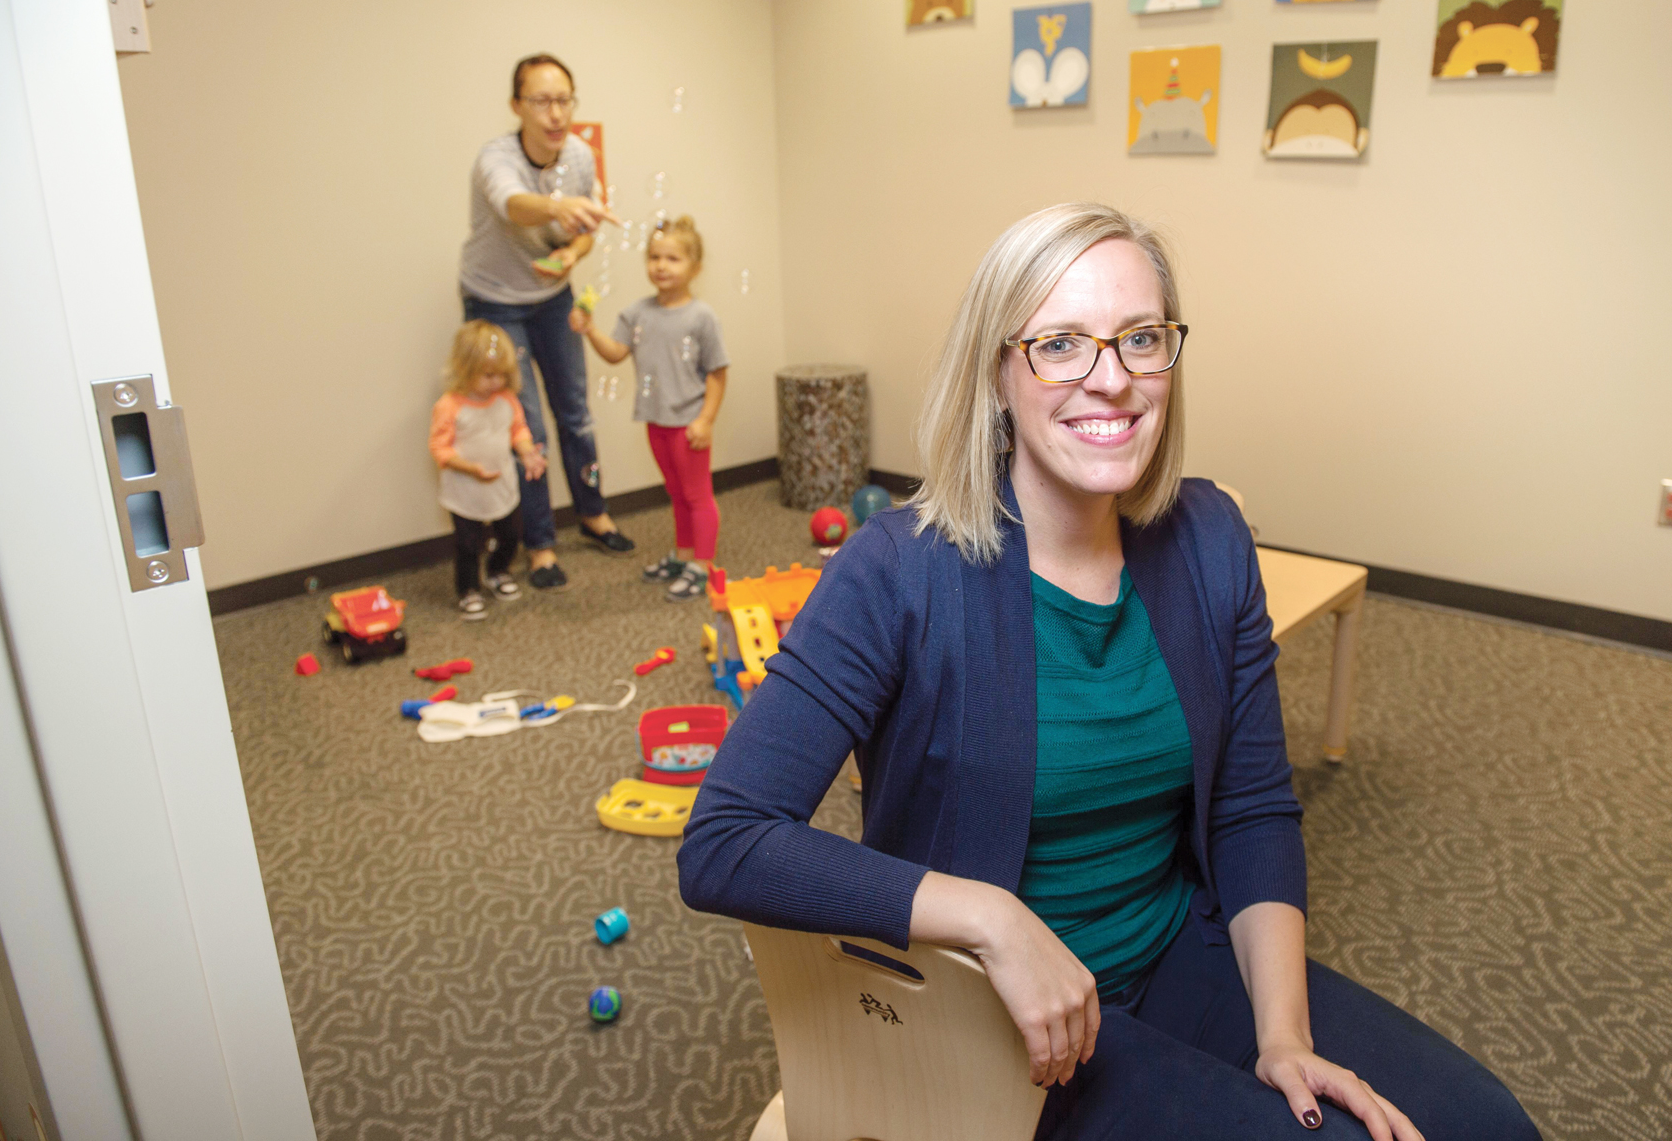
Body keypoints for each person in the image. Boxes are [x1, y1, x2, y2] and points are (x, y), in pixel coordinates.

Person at [678, 204, 1541, 1141]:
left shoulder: (1211, 540)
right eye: (1060, 344)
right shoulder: (898, 571)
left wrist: (1282, 1035)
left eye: (1140, 339)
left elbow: (1252, 806)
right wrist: (994, 922)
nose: (1113, 380)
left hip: (1175, 956)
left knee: (1488, 1126)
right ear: (999, 374)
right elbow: (724, 841)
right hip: (997, 1022)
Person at [459, 52, 634, 592]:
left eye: (565, 100)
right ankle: (540, 545)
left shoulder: (579, 155)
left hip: (552, 293)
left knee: (575, 411)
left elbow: (585, 229)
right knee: (526, 427)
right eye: (542, 101)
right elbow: (514, 206)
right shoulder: (496, 158)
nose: (556, 114)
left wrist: (571, 253)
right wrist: (559, 209)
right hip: (494, 299)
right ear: (518, 106)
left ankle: (593, 512)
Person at [571, 216, 729, 603]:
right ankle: (684, 556)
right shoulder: (637, 313)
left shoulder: (701, 317)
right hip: (655, 421)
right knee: (676, 495)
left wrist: (706, 419)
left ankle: (703, 566)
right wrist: (590, 331)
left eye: (673, 258)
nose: (661, 265)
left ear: (695, 267)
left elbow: (717, 373)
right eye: (655, 257)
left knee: (697, 496)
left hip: (688, 423)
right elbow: (615, 354)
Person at [428, 321, 547, 621]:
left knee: (511, 533)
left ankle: (498, 571)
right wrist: (469, 468)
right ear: (465, 368)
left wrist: (528, 452)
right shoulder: (450, 406)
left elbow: (517, 429)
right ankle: (468, 589)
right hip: (465, 487)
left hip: (502, 485)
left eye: (503, 375)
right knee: (468, 544)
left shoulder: (507, 399)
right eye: (489, 375)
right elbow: (439, 448)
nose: (497, 382)